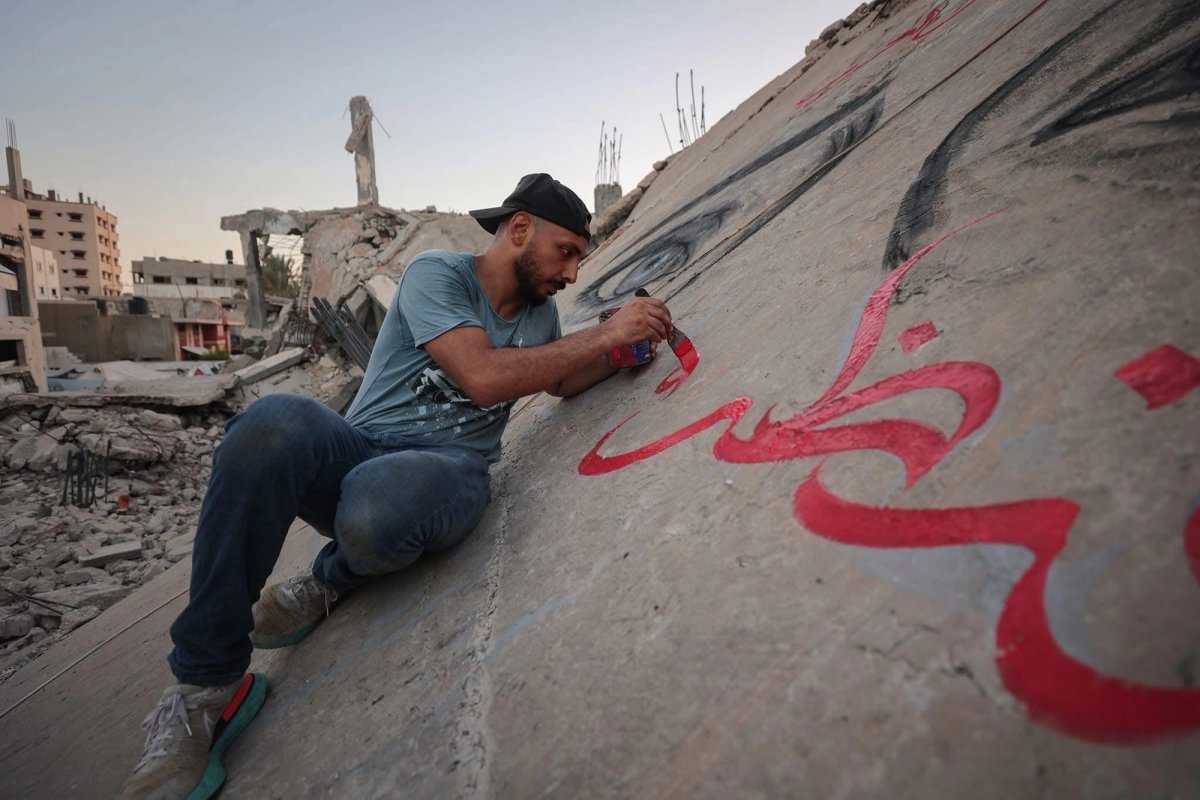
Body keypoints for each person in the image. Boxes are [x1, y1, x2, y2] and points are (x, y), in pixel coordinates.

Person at [119, 174, 674, 799]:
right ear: (519, 230)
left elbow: (562, 381)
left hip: (447, 475)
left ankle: (330, 580)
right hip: (361, 452)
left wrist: (623, 352)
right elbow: (484, 378)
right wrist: (605, 331)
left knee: (380, 503)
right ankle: (204, 690)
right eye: (566, 252)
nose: (571, 273)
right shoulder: (437, 273)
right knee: (270, 422)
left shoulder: (542, 315)